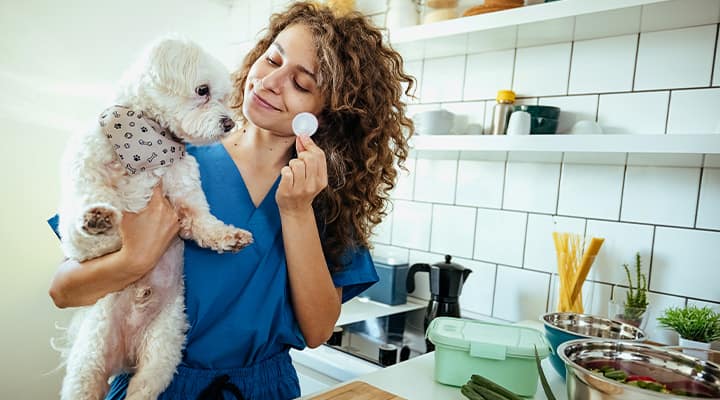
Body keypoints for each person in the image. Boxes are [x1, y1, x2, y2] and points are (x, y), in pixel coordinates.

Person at [48, 2, 415, 399]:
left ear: (326, 116)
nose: (270, 81)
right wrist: (133, 259)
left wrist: (296, 211)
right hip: (154, 385)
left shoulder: (323, 196)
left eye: (302, 84)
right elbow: (64, 291)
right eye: (272, 58)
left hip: (262, 390)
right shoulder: (175, 157)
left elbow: (317, 330)